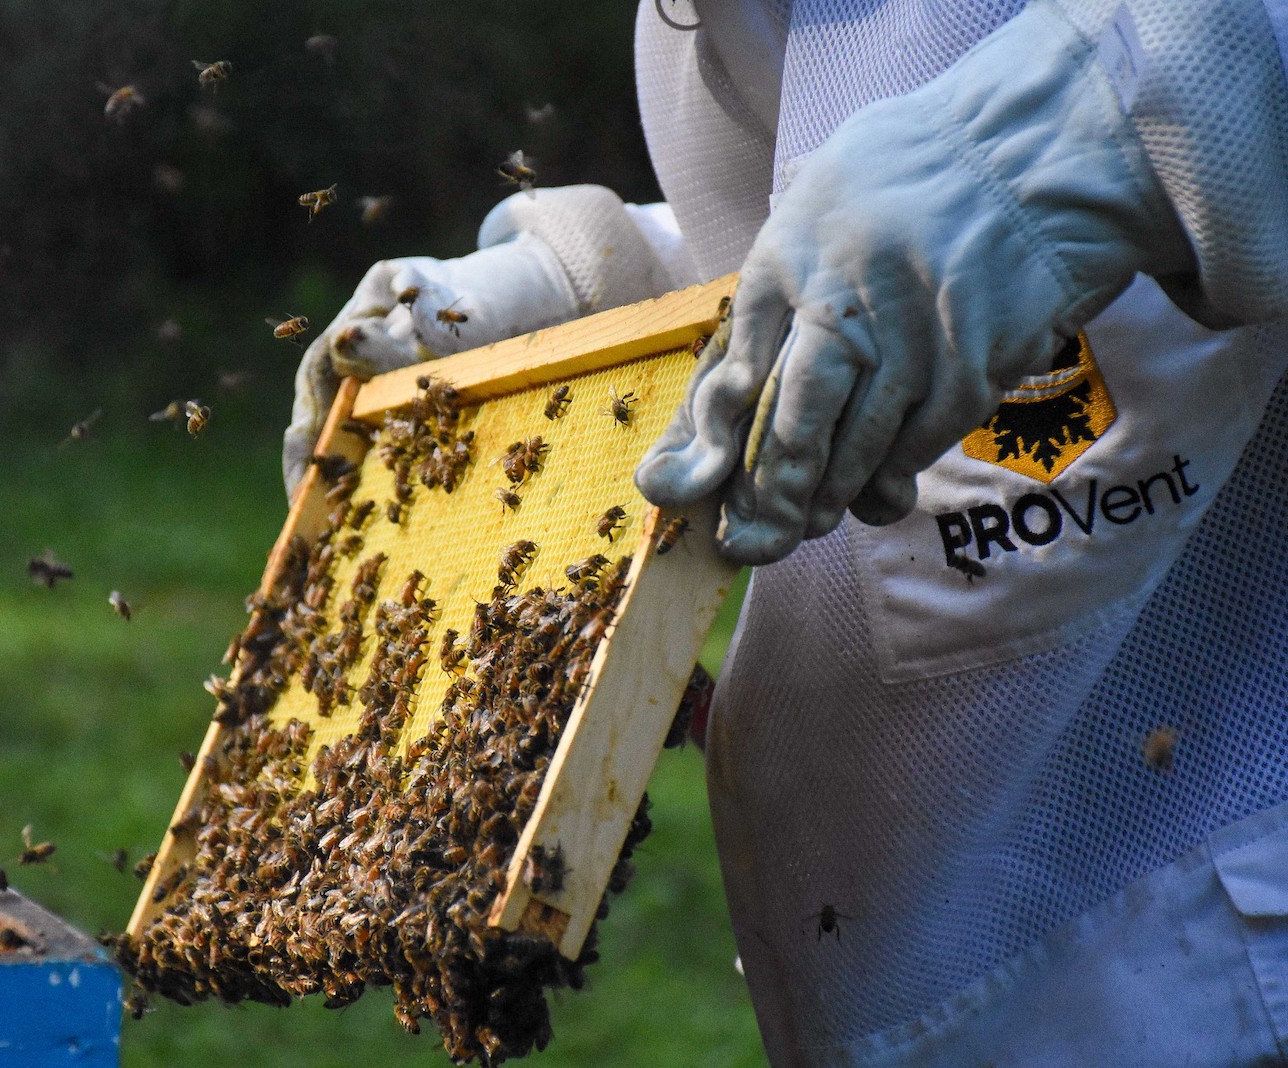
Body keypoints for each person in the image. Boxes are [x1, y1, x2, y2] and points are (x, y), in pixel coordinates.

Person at [285, 1, 1288, 1063]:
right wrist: (590, 301)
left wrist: (1106, 115)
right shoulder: (689, 27)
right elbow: (824, 214)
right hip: (931, 966)